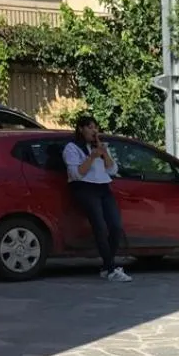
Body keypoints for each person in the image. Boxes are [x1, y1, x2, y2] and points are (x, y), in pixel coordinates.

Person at [64, 114, 131, 283]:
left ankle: (107, 266)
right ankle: (110, 268)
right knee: (99, 227)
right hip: (85, 188)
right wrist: (92, 156)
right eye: (90, 127)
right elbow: (77, 173)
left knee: (115, 227)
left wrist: (104, 153)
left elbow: (112, 170)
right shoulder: (72, 148)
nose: (94, 131)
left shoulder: (100, 147)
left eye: (95, 127)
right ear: (81, 129)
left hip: (103, 187)